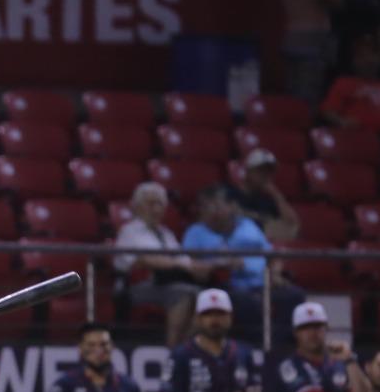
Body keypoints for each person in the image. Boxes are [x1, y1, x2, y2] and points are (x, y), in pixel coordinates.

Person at [182, 185, 300, 333]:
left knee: (293, 295)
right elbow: (190, 267)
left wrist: (275, 274)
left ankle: (280, 344)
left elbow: (272, 255)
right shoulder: (195, 232)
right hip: (227, 286)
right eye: (205, 206)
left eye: (215, 205)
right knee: (248, 303)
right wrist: (222, 264)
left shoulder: (248, 226)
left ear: (232, 206)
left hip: (263, 283)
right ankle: (253, 345)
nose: (209, 211)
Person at [113, 181, 207, 346]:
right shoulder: (130, 231)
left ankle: (185, 346)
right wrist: (179, 265)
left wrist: (199, 267)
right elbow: (144, 260)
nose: (156, 209)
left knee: (203, 296)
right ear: (137, 207)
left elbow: (183, 260)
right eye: (151, 204)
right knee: (181, 293)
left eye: (160, 204)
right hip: (136, 286)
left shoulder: (166, 233)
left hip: (167, 283)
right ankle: (172, 348)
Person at [277, 0, 340, 104]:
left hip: (291, 38)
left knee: (292, 88)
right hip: (312, 41)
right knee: (309, 93)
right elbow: (336, 1)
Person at [263, 301, 367, 392]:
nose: (312, 333)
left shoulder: (342, 360)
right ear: (295, 333)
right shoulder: (289, 365)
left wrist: (350, 360)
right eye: (305, 328)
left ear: (327, 328)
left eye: (317, 326)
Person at [320, 34, 380, 132]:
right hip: (359, 138)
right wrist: (342, 121)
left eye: (373, 55)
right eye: (362, 56)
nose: (369, 60)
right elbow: (327, 111)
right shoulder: (344, 83)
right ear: (353, 61)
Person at [231, 148, 300, 242]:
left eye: (269, 172)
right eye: (260, 170)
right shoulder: (229, 193)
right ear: (248, 171)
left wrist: (277, 195)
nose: (265, 175)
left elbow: (292, 227)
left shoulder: (269, 202)